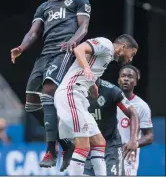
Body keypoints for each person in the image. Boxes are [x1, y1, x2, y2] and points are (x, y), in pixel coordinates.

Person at [10, 0, 91, 167]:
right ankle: (65, 143)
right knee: (31, 102)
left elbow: (84, 27)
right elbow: (33, 32)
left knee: (48, 89)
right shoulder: (44, 7)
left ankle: (50, 151)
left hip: (64, 51)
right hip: (44, 55)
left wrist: (73, 41)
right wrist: (22, 47)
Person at [54, 34, 138, 175]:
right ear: (124, 47)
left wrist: (92, 84)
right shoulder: (105, 44)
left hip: (79, 98)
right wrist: (86, 69)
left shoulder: (107, 56)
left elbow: (89, 63)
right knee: (83, 145)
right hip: (70, 93)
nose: (131, 59)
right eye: (132, 54)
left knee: (99, 142)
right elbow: (80, 49)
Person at [84, 79, 139, 176]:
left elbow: (133, 113)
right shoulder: (74, 90)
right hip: (87, 147)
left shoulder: (112, 91)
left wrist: (133, 140)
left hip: (110, 147)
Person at [117, 65, 153, 176]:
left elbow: (149, 136)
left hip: (128, 154)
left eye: (130, 76)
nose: (126, 79)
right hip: (108, 151)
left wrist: (135, 143)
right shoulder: (109, 100)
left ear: (136, 82)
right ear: (119, 80)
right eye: (123, 76)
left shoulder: (142, 106)